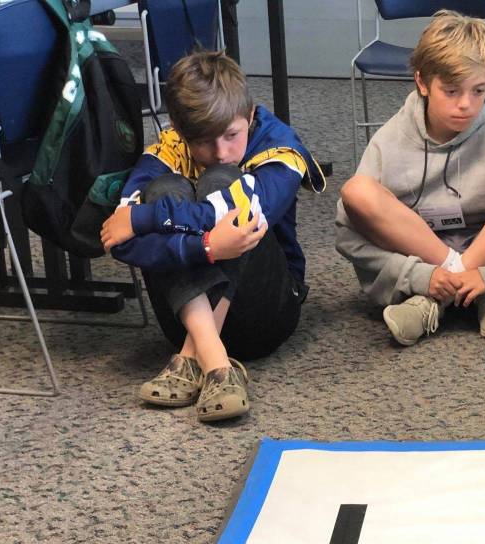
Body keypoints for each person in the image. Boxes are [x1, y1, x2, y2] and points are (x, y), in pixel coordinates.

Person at [100, 50, 325, 422]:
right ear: (178, 127)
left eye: (231, 135)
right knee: (164, 187)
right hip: (181, 317)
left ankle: (193, 358)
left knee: (224, 183)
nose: (220, 151)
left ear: (250, 116)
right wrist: (205, 247)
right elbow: (120, 238)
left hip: (265, 315)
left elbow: (139, 221)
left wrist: (149, 217)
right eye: (203, 141)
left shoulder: (282, 149)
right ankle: (216, 361)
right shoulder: (169, 147)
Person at [335, 10, 485, 345]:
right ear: (422, 82)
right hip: (421, 251)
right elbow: (350, 229)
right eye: (451, 91)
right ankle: (477, 293)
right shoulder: (390, 138)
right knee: (357, 192)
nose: (466, 105)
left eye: (478, 91)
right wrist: (422, 274)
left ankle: (448, 294)